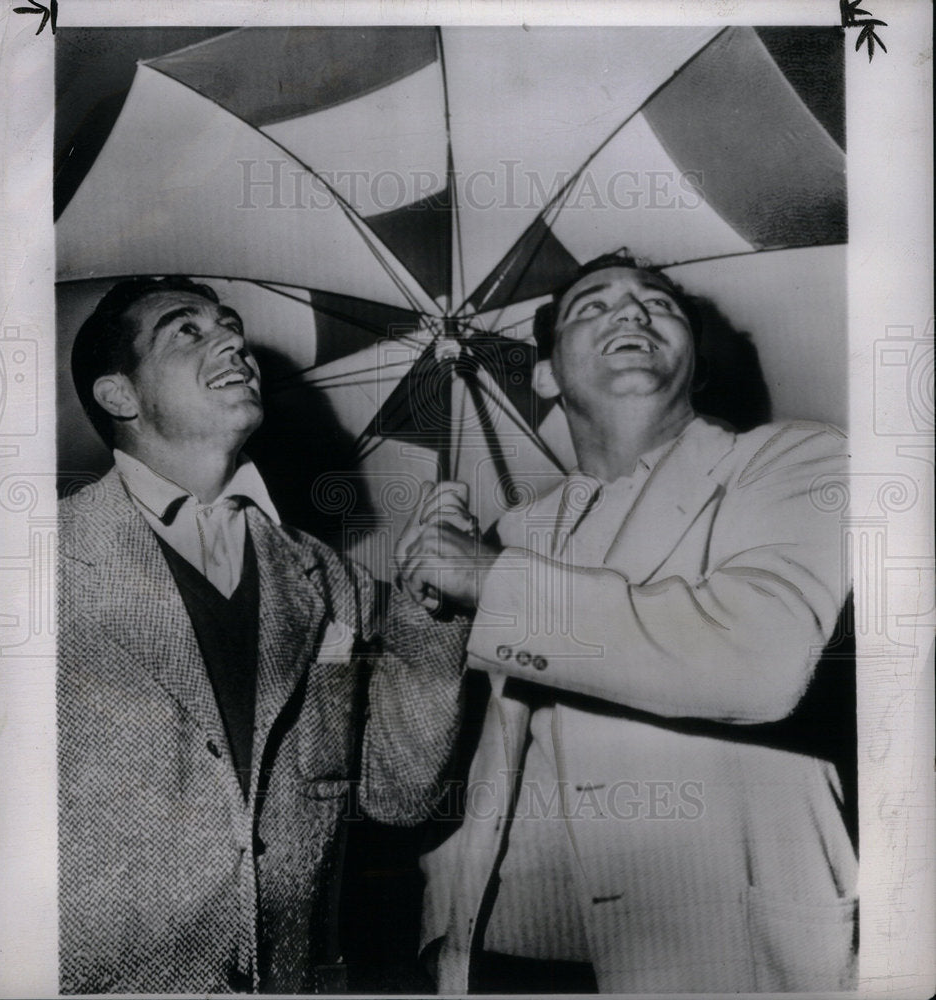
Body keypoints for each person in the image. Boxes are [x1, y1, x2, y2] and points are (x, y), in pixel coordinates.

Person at [397, 253, 856, 994]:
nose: (632, 312)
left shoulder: (795, 459)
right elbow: (427, 769)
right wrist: (424, 612)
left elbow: (757, 660)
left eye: (657, 304)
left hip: (711, 948)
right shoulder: (508, 531)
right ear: (545, 375)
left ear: (697, 365)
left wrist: (486, 579)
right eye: (592, 306)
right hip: (502, 954)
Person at [57, 276, 467, 994]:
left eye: (230, 324)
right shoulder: (34, 562)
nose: (233, 341)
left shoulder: (326, 578)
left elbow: (397, 795)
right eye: (186, 330)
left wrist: (429, 615)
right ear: (119, 395)